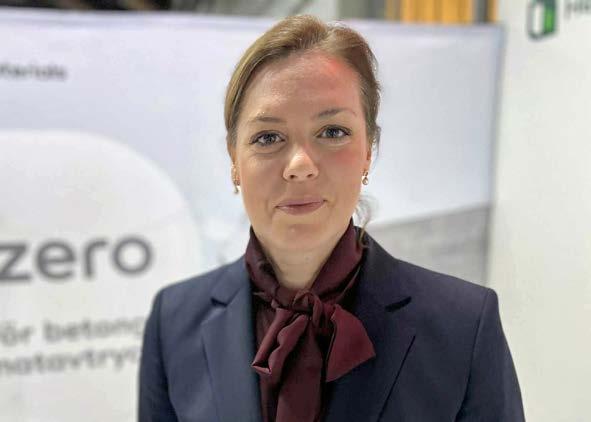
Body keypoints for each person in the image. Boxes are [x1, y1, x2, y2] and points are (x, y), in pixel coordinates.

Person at [138, 14, 524, 422]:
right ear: (235, 160)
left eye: (332, 132)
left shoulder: (464, 325)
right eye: (268, 137)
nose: (300, 165)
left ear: (368, 151)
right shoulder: (173, 321)